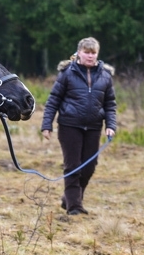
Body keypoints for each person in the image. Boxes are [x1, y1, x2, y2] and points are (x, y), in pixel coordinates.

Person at [41, 37, 117, 215]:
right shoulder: (67, 73)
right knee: (73, 165)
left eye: (93, 53)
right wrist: (47, 125)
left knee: (89, 167)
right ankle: (74, 206)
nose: (90, 56)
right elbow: (53, 101)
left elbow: (110, 104)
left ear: (97, 54)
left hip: (94, 127)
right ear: (79, 53)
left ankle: (68, 198)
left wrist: (111, 125)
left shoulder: (105, 76)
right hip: (69, 125)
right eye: (86, 52)